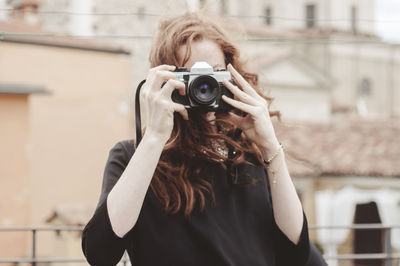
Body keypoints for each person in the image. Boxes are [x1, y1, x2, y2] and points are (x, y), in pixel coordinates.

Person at [81, 12, 327, 266]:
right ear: (165, 79)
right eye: (192, 78)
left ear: (231, 79)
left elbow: (297, 255)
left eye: (215, 75)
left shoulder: (252, 158)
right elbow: (100, 253)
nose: (204, 87)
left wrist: (270, 146)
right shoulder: (133, 158)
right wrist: (154, 137)